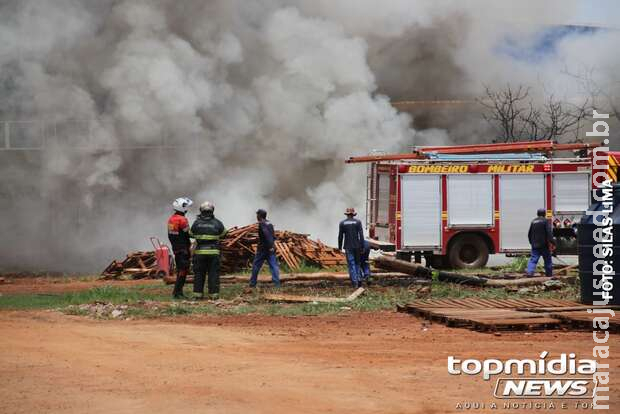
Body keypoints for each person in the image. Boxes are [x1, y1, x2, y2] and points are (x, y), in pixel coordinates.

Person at [190, 201, 227, 300]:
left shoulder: (196, 223)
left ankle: (198, 295)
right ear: (212, 210)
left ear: (201, 211)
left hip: (200, 253)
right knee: (213, 274)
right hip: (213, 252)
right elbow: (224, 234)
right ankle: (213, 296)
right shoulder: (217, 223)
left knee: (199, 274)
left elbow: (190, 234)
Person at [168, 197, 193, 299]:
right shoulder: (182, 220)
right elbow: (189, 233)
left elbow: (171, 235)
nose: (187, 209)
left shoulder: (171, 219)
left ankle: (178, 292)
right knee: (183, 271)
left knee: (180, 270)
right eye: (187, 207)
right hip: (183, 249)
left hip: (176, 248)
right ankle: (177, 293)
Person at [249, 209, 281, 288]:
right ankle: (277, 284)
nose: (256, 216)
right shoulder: (269, 223)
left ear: (259, 216)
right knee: (274, 266)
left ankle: (252, 284)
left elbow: (267, 235)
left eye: (257, 215)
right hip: (271, 249)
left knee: (256, 265)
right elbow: (273, 236)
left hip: (263, 249)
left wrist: (270, 246)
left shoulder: (262, 224)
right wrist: (272, 246)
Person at [338, 207, 365, 288]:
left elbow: (340, 236)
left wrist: (339, 247)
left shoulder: (342, 223)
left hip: (348, 246)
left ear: (347, 214)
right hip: (357, 246)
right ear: (353, 214)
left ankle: (355, 282)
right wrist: (362, 246)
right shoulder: (358, 222)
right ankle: (359, 279)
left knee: (351, 264)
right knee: (357, 263)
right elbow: (361, 235)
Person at [526, 208, 556, 277]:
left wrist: (531, 243)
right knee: (547, 260)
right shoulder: (545, 221)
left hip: (535, 245)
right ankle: (549, 274)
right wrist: (553, 243)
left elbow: (529, 234)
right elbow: (549, 233)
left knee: (533, 260)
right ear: (544, 214)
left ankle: (530, 272)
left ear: (537, 214)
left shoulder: (533, 221)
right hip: (544, 245)